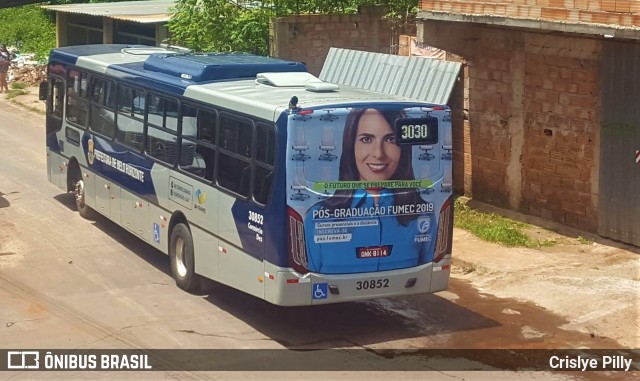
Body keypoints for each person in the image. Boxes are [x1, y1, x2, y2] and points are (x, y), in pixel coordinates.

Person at [303, 108, 435, 274]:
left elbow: (426, 272)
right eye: (366, 139)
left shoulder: (422, 215)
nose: (379, 154)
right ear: (351, 146)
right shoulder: (317, 217)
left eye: (391, 139)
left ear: (403, 149)